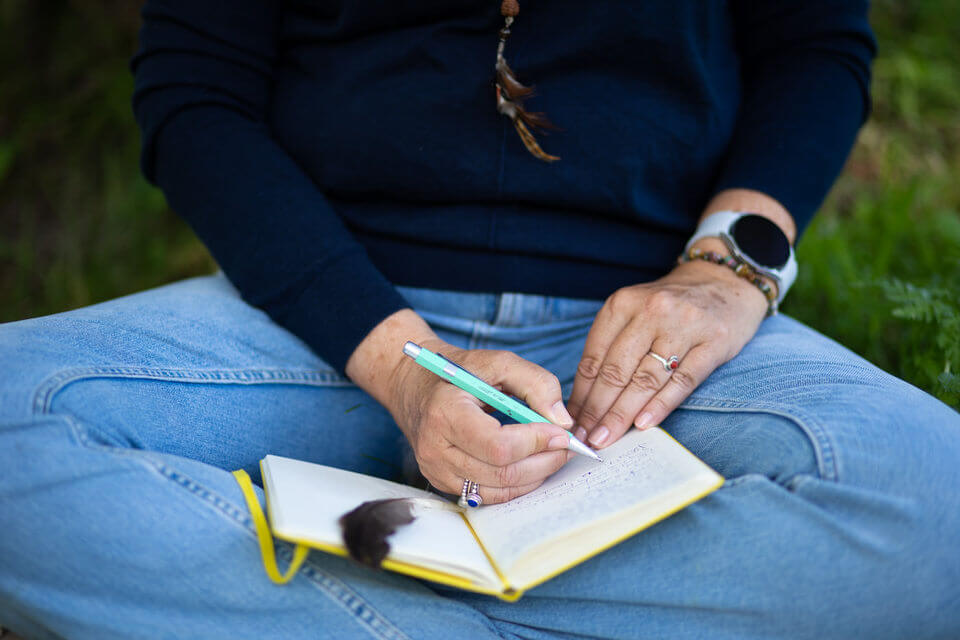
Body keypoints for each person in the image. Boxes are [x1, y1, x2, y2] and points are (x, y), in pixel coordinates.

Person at [1, 1, 958, 638]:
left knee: (937, 505)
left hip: (643, 332)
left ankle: (342, 601)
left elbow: (814, 46)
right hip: (325, 314)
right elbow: (195, 93)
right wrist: (402, 366)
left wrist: (727, 268)